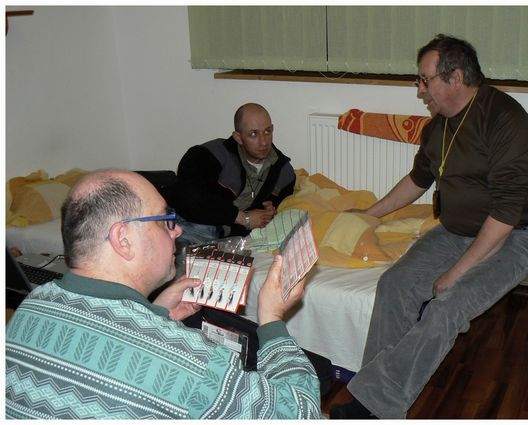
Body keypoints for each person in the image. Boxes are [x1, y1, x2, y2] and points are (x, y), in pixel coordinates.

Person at [330, 34, 528, 419]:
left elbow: (506, 215)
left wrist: (455, 274)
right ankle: (377, 398)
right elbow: (418, 180)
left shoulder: (507, 121)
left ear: (455, 78)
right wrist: (370, 213)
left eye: (424, 80)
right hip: (455, 232)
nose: (419, 90)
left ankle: (369, 408)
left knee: (446, 307)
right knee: (395, 285)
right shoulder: (438, 127)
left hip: (514, 235)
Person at [5, 169, 321, 419]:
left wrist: (156, 314)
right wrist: (272, 320)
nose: (177, 230)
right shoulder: (186, 359)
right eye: (165, 220)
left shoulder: (33, 304)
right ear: (123, 239)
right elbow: (301, 412)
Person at [173, 103, 295, 245]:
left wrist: (269, 213)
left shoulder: (284, 172)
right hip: (184, 225)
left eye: (267, 131)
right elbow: (188, 199)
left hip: (227, 238)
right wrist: (242, 218)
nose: (263, 142)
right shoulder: (206, 155)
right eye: (253, 134)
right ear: (238, 137)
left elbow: (277, 209)